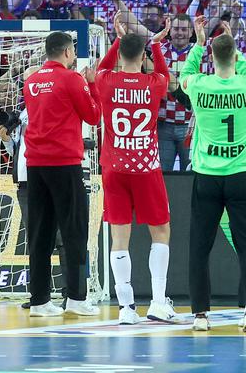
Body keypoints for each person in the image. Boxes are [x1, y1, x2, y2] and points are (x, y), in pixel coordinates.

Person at [87, 19, 179, 325]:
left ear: (119, 54)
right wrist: (156, 44)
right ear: (142, 57)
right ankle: (158, 302)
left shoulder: (106, 81)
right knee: (161, 232)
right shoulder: (153, 84)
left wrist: (117, 38)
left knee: (119, 237)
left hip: (114, 168)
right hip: (146, 168)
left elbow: (101, 68)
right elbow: (165, 75)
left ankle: (126, 307)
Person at [180, 15, 246, 333]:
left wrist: (200, 44)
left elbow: (184, 75)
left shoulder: (200, 86)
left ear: (212, 57)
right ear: (234, 56)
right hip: (242, 174)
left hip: (207, 176)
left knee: (199, 247)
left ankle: (200, 315)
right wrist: (233, 44)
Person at [22, 29, 101, 317]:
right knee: (74, 231)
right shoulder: (72, 79)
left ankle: (39, 301)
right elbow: (93, 116)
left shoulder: (31, 81)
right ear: (68, 52)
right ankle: (77, 299)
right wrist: (92, 85)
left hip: (35, 165)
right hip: (64, 164)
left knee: (40, 235)